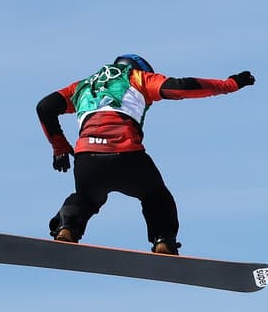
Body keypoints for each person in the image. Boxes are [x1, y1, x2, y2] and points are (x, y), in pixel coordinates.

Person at [36, 54, 255, 254]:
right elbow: (181, 87)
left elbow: (45, 107)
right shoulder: (138, 78)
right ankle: (163, 241)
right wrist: (230, 84)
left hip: (87, 160)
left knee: (85, 197)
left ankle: (67, 228)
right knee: (156, 197)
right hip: (126, 155)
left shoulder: (82, 86)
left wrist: (60, 149)